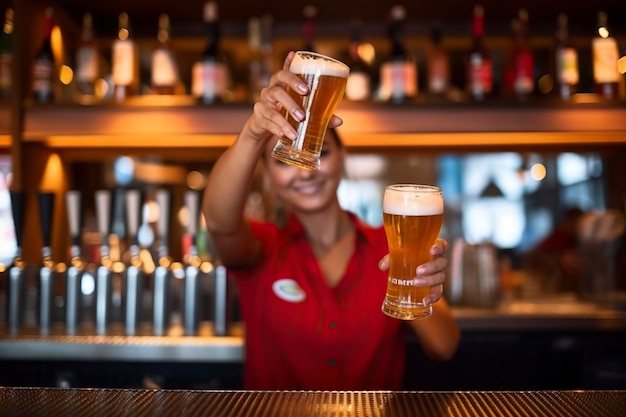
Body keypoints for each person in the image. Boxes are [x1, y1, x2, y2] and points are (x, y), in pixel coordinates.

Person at [202, 51, 460, 390]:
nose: (305, 170)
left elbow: (444, 347)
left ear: (342, 159)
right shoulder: (263, 248)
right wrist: (252, 133)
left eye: (320, 152)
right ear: (267, 176)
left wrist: (421, 289)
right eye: (283, 161)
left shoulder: (393, 247)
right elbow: (219, 221)